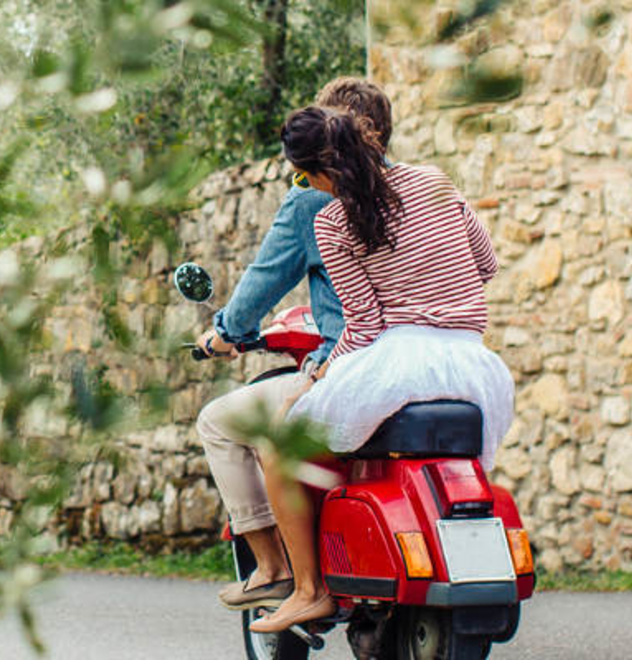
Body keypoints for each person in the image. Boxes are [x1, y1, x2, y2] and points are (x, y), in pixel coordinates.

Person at [249, 105, 515, 633]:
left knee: (279, 442)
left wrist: (316, 379)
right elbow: (486, 264)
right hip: (475, 367)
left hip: (398, 363)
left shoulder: (333, 221)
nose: (308, 187)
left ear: (319, 173)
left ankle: (308, 590)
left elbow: (365, 326)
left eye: (303, 177)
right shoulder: (435, 181)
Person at [194, 78, 394, 612]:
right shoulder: (411, 188)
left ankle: (277, 570)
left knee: (219, 421)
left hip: (344, 361)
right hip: (416, 360)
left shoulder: (312, 202)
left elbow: (263, 281)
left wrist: (225, 333)